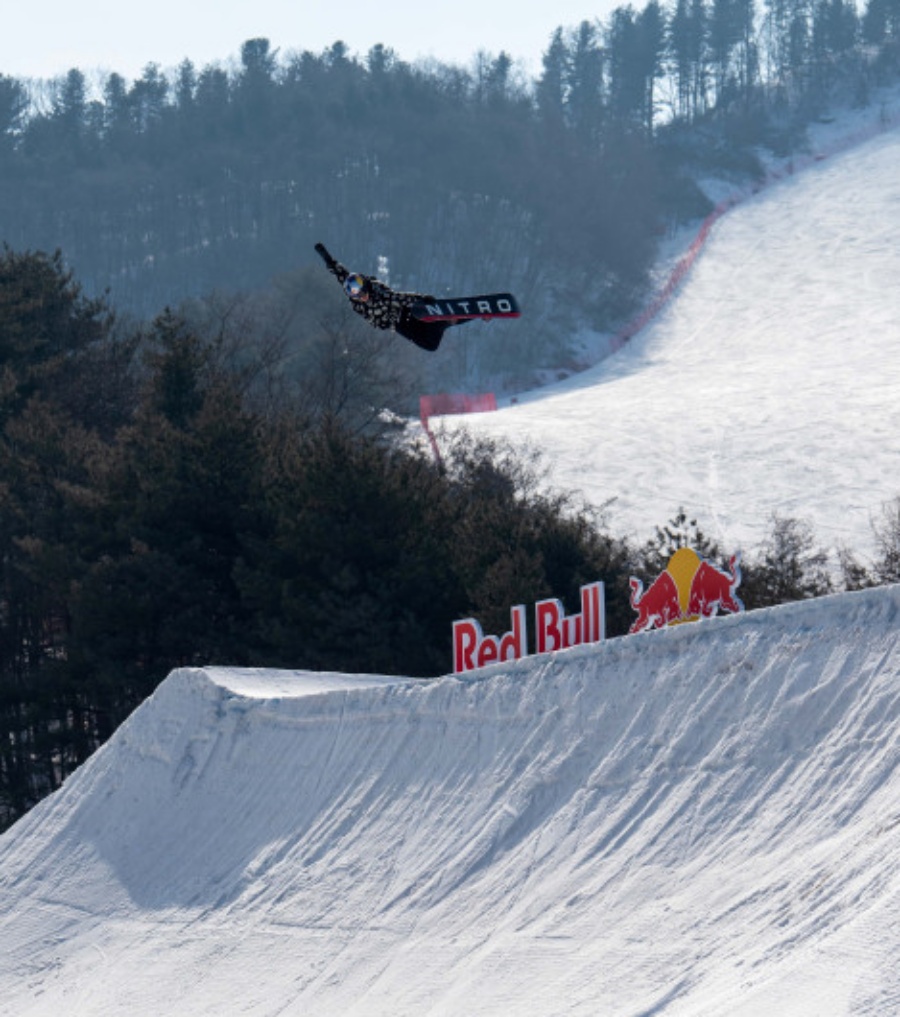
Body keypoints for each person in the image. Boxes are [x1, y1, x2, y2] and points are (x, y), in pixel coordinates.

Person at [315, 243, 468, 352]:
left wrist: (423, 299)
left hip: (403, 318)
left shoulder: (378, 294)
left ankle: (443, 322)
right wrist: (328, 260)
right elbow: (341, 274)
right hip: (398, 324)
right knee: (432, 337)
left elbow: (399, 297)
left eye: (362, 292)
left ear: (365, 285)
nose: (362, 297)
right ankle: (455, 319)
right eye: (356, 295)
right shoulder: (354, 295)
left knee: (430, 343)